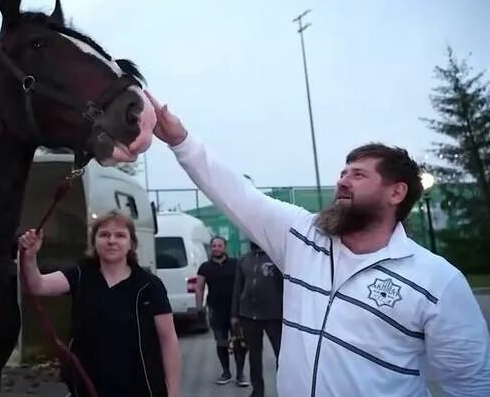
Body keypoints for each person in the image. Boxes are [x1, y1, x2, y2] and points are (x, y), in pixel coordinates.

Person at [143, 91, 490, 396]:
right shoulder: (301, 236)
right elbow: (237, 193)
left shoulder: (437, 282)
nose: (342, 181)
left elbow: (472, 384)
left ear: (396, 192)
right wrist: (180, 141)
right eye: (343, 172)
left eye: (358, 174)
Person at [18, 210, 181, 397]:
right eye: (104, 235)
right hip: (89, 386)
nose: (111, 241)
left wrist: (173, 393)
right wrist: (29, 257)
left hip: (141, 386)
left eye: (120, 235)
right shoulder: (80, 275)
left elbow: (168, 340)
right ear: (94, 241)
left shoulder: (149, 285)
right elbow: (36, 285)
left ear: (131, 244)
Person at [195, 236, 249, 387]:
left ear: (225, 247)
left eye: (219, 246)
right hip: (216, 311)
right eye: (214, 246)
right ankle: (226, 372)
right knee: (221, 343)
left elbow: (245, 285)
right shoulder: (205, 267)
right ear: (211, 248)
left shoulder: (236, 264)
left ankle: (240, 374)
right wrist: (199, 309)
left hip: (235, 311)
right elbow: (199, 288)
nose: (216, 248)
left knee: (240, 343)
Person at [231, 240, 283, 397]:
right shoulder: (244, 259)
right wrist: (234, 314)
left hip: (274, 315)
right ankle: (257, 391)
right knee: (254, 356)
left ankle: (286, 389)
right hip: (249, 315)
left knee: (281, 354)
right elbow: (237, 288)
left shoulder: (276, 258)